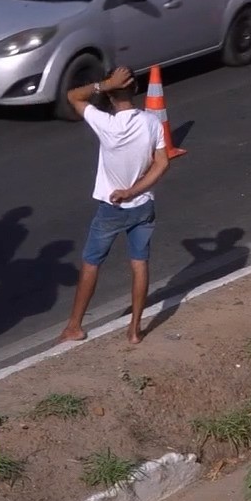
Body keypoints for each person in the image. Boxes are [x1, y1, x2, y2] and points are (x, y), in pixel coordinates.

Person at [59, 67, 171, 345]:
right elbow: (162, 162)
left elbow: (73, 96)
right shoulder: (151, 122)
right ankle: (134, 330)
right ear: (135, 91)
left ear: (110, 95)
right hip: (143, 205)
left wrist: (103, 84)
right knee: (139, 263)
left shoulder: (106, 124)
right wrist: (134, 190)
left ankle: (74, 326)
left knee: (91, 262)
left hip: (112, 208)